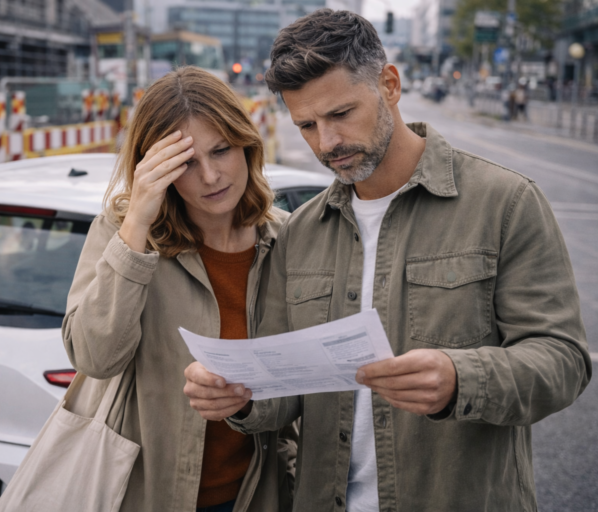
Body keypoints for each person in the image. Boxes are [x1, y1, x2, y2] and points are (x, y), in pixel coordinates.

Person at [183, 10, 591, 512]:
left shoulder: (505, 203)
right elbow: (285, 394)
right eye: (306, 125)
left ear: (390, 84)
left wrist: (460, 378)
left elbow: (564, 361)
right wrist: (241, 398)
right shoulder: (300, 233)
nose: (325, 143)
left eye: (340, 114)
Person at [62, 66, 295, 512]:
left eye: (221, 150)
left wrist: (247, 404)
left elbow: (306, 384)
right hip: (143, 496)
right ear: (156, 169)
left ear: (247, 144)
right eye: (186, 162)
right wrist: (136, 224)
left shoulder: (287, 240)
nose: (210, 176)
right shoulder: (124, 233)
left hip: (256, 494)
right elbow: (95, 357)